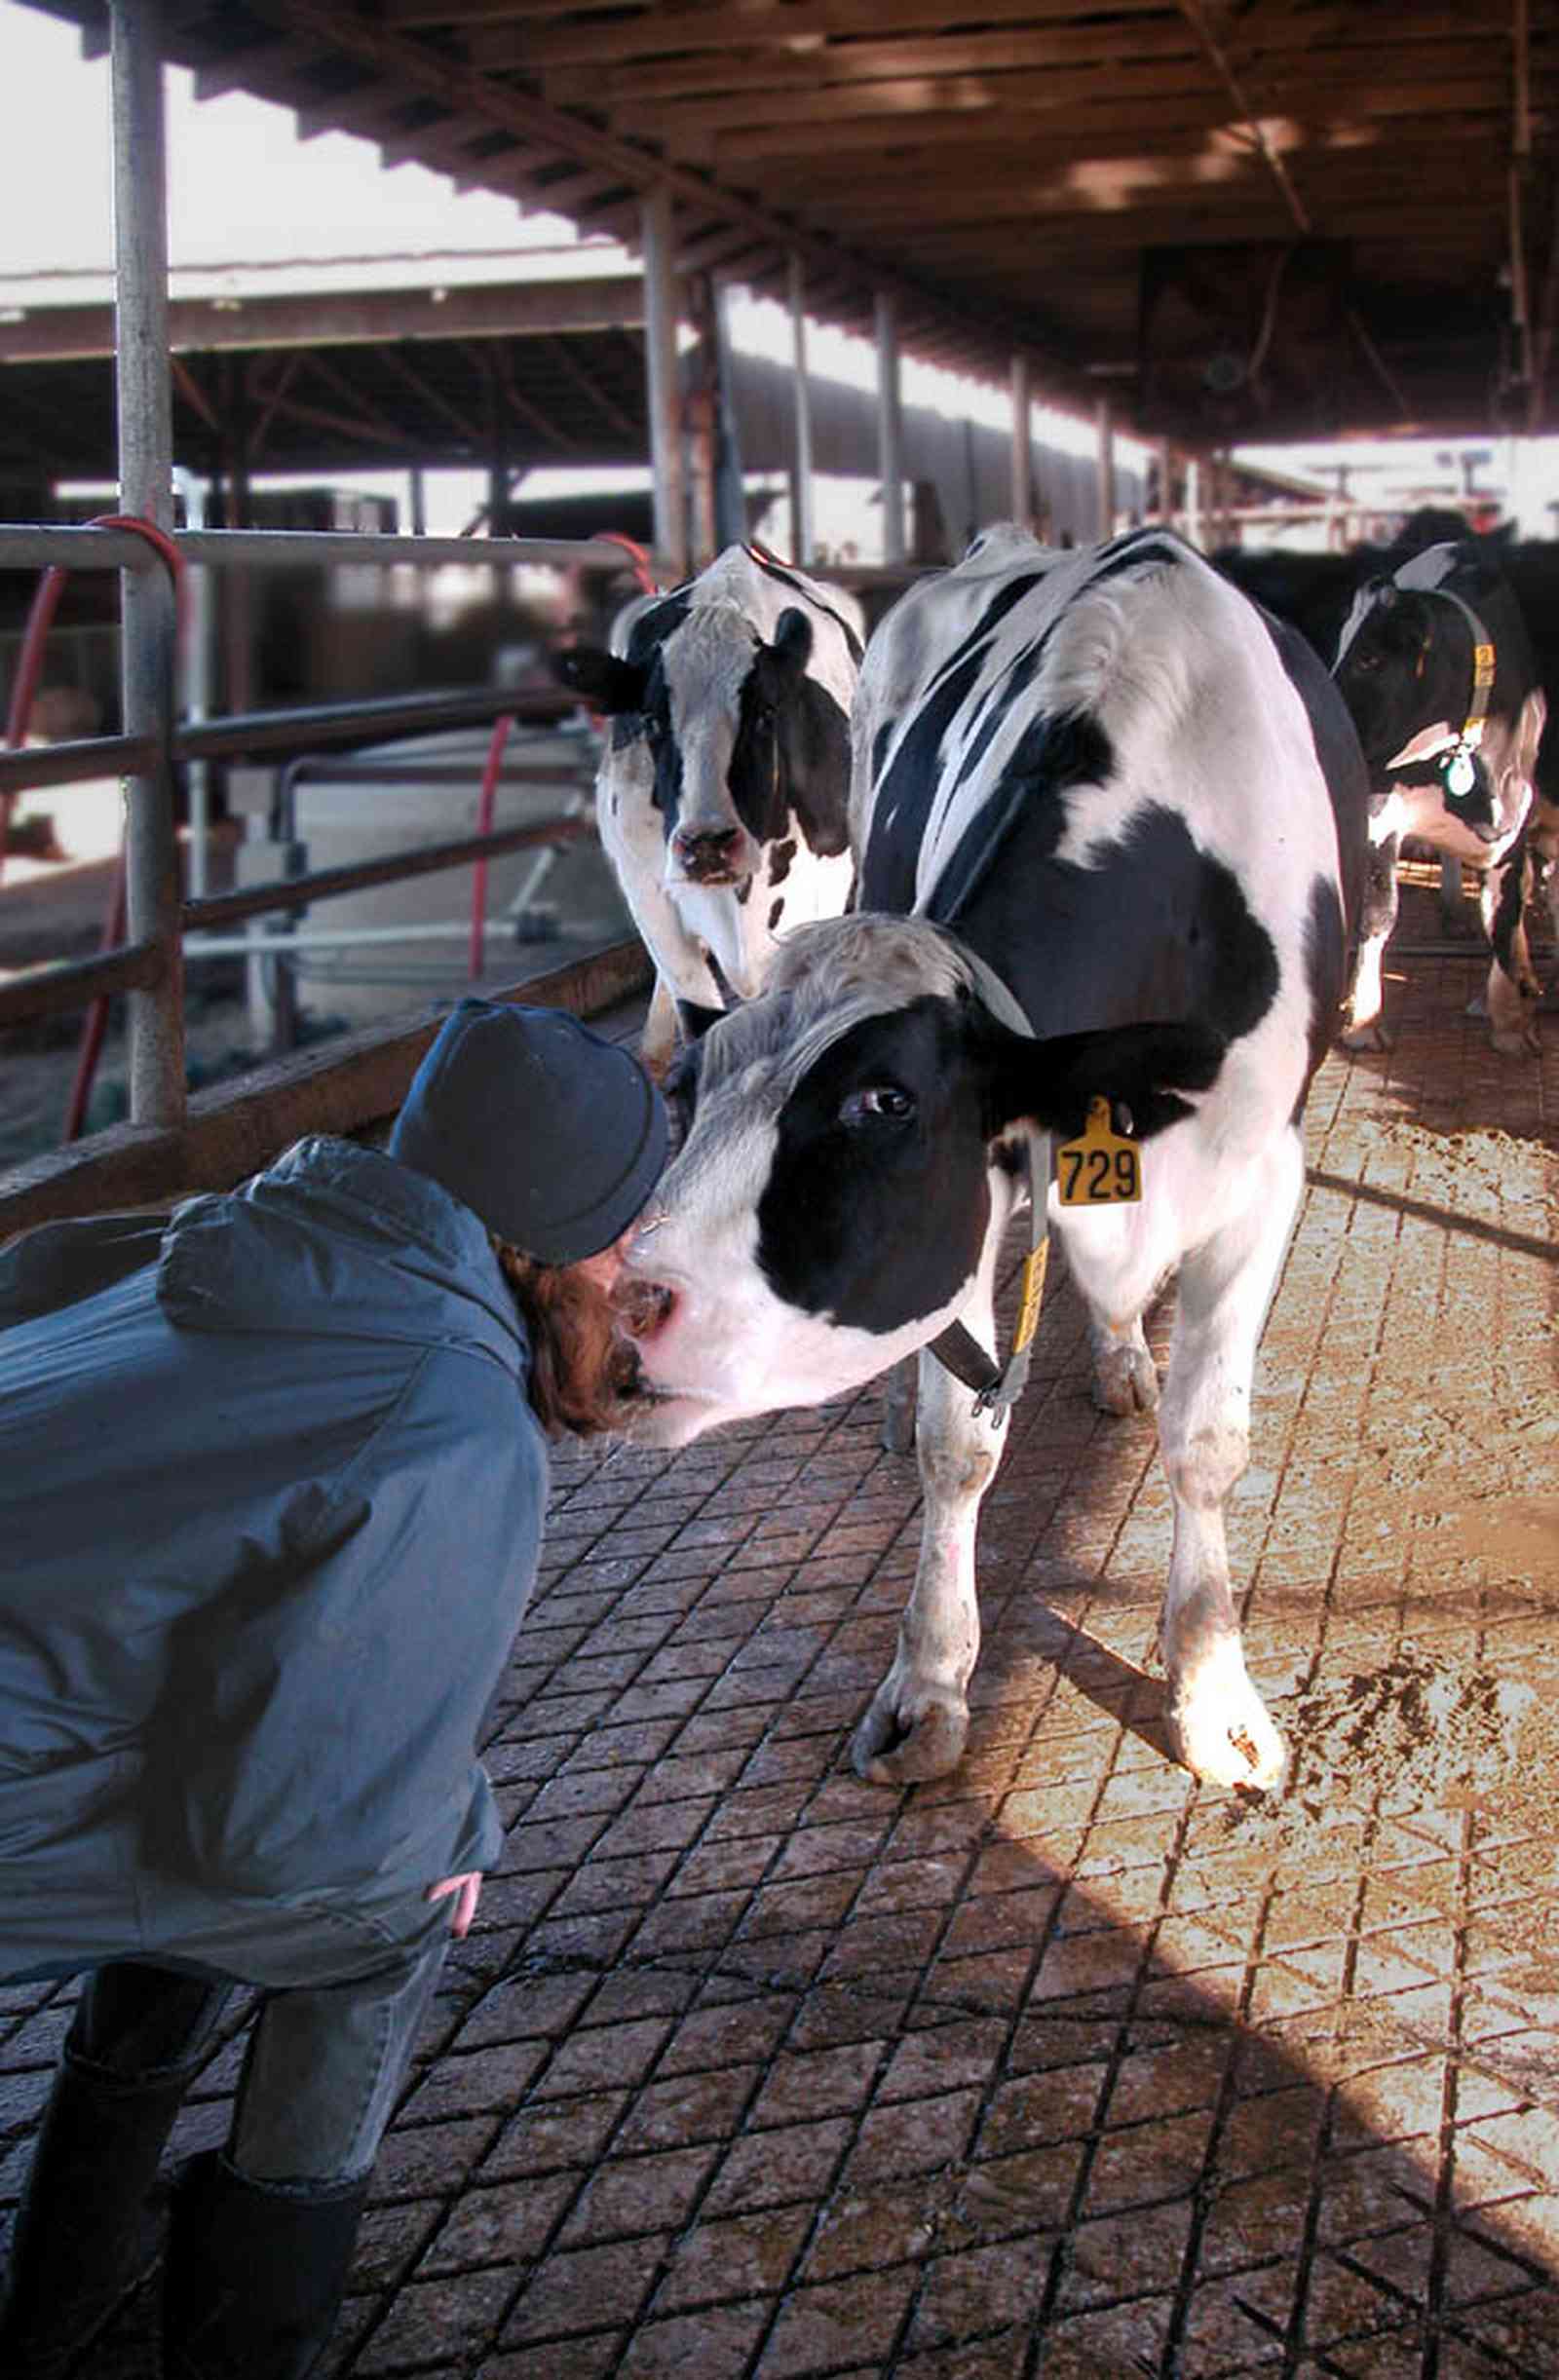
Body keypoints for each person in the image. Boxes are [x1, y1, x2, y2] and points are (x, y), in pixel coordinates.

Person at [0, 998, 668, 2380]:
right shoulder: (451, 1425)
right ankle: (250, 2348)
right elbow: (291, 1837)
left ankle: (62, 2285)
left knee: (230, 1768)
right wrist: (451, 1836)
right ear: (550, 1250)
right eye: (622, 1233)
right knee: (385, 1917)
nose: (632, 1265)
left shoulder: (205, 1235)